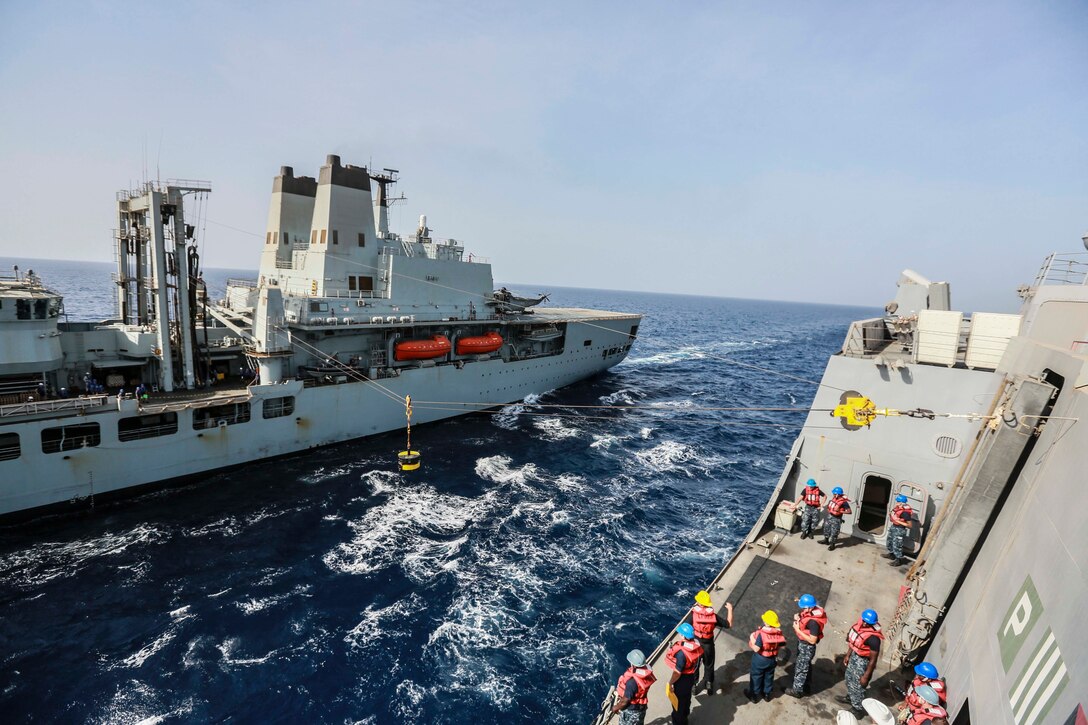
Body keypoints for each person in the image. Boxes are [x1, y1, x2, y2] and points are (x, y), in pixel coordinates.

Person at [838, 608, 883, 716]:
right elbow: (853, 643)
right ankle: (850, 697)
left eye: (867, 623)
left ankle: (857, 709)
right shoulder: (859, 627)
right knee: (849, 678)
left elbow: (873, 660)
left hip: (863, 662)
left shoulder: (874, 639)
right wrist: (848, 655)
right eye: (863, 621)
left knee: (858, 685)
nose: (864, 624)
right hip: (854, 656)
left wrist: (866, 676)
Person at [690, 590, 733, 696]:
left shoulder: (693, 615)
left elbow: (685, 628)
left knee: (694, 666)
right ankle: (709, 685)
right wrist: (730, 609)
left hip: (696, 644)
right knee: (709, 665)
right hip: (708, 645)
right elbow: (728, 624)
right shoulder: (713, 616)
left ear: (699, 603)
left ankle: (694, 687)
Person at [785, 594, 827, 698]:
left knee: (801, 667)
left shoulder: (813, 622)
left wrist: (798, 629)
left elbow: (813, 640)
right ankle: (806, 685)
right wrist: (798, 618)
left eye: (804, 608)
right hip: (804, 644)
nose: (803, 609)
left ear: (809, 607)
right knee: (806, 665)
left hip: (807, 646)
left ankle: (797, 691)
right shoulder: (814, 609)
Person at [664, 623, 704, 725]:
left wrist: (671, 683)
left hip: (682, 680)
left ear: (683, 636)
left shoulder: (681, 653)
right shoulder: (696, 645)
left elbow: (677, 673)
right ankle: (685, 718)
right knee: (686, 700)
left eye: (681, 633)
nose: (679, 635)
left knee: (678, 706)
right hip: (691, 677)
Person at [745, 610, 785, 703]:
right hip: (772, 659)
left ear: (765, 622)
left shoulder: (761, 634)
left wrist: (751, 637)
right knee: (769, 676)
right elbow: (782, 645)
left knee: (756, 676)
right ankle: (767, 694)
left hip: (760, 659)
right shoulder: (778, 632)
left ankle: (754, 695)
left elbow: (756, 649)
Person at [610, 649, 656, 725]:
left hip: (631, 711)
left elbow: (624, 701)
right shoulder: (646, 674)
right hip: (641, 708)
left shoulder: (632, 683)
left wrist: (615, 707)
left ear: (633, 664)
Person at [885, 494, 914, 566]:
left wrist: (898, 522)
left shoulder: (905, 513)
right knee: (889, 541)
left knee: (897, 545)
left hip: (900, 529)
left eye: (897, 501)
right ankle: (891, 554)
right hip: (894, 527)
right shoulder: (898, 508)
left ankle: (898, 560)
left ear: (901, 502)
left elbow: (910, 525)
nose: (896, 502)